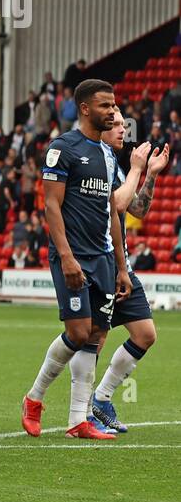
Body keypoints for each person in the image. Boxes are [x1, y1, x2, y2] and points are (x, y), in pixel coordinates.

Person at [20, 79, 132, 441]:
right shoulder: (63, 148)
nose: (112, 112)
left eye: (113, 106)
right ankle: (34, 399)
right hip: (72, 254)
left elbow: (112, 213)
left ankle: (76, 421)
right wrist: (66, 256)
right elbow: (51, 204)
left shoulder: (107, 153)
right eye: (105, 106)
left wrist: (120, 265)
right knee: (78, 331)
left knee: (96, 334)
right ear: (85, 108)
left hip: (102, 256)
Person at [77, 111, 169, 432]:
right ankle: (83, 413)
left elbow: (137, 209)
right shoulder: (94, 161)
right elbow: (116, 204)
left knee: (145, 335)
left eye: (123, 125)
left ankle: (101, 399)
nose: (122, 130)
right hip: (100, 264)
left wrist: (151, 176)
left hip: (121, 265)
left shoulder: (112, 163)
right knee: (95, 338)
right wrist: (136, 169)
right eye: (116, 124)